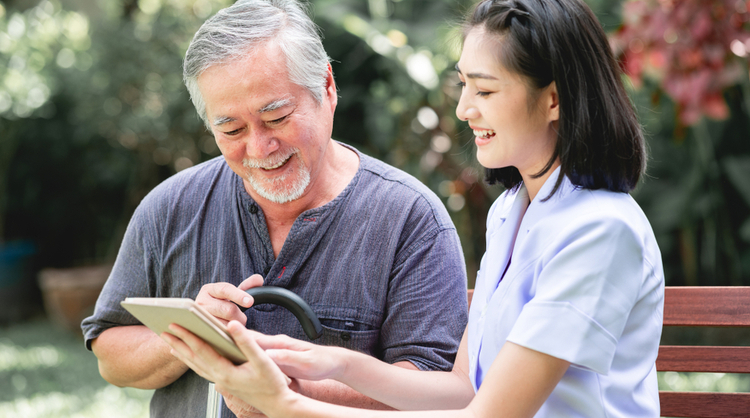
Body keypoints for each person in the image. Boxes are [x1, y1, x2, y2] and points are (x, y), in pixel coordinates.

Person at [162, 0, 666, 417]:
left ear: (554, 99)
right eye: (464, 84)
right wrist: (328, 363)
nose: (464, 108)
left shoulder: (600, 230)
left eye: (485, 89)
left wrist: (287, 405)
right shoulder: (514, 211)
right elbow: (464, 388)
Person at [80, 0, 469, 417]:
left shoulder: (411, 220)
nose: (260, 148)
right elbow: (110, 353)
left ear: (327, 88)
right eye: (231, 129)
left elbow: (440, 392)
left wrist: (288, 393)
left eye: (277, 117)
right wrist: (190, 335)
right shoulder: (169, 207)